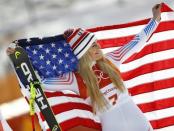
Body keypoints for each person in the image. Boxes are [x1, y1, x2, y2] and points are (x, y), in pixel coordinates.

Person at [7, 3, 161, 131]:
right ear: (83, 53)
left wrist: (155, 20)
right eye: (92, 46)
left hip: (139, 123)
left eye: (97, 44)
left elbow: (136, 43)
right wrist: (18, 59)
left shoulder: (112, 59)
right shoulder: (74, 78)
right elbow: (38, 81)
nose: (98, 48)